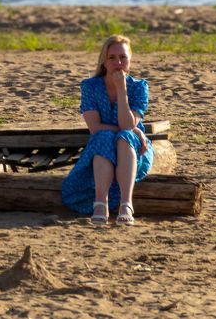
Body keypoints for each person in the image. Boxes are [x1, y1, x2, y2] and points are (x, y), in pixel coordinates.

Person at [61, 34, 154, 225]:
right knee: (104, 136)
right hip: (101, 145)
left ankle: (126, 204)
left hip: (133, 148)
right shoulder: (90, 86)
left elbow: (127, 126)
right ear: (104, 61)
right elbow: (95, 127)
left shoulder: (139, 87)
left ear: (130, 60)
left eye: (123, 57)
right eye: (112, 57)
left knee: (125, 136)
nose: (118, 62)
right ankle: (100, 203)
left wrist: (122, 89)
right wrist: (135, 130)